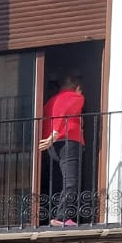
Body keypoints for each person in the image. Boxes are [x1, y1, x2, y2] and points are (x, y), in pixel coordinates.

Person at [40, 74, 86, 227]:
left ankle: (60, 216)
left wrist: (51, 136)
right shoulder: (75, 97)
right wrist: (55, 132)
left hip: (53, 147)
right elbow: (64, 111)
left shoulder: (50, 102)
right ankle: (62, 217)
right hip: (69, 140)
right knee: (71, 181)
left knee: (60, 181)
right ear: (77, 88)